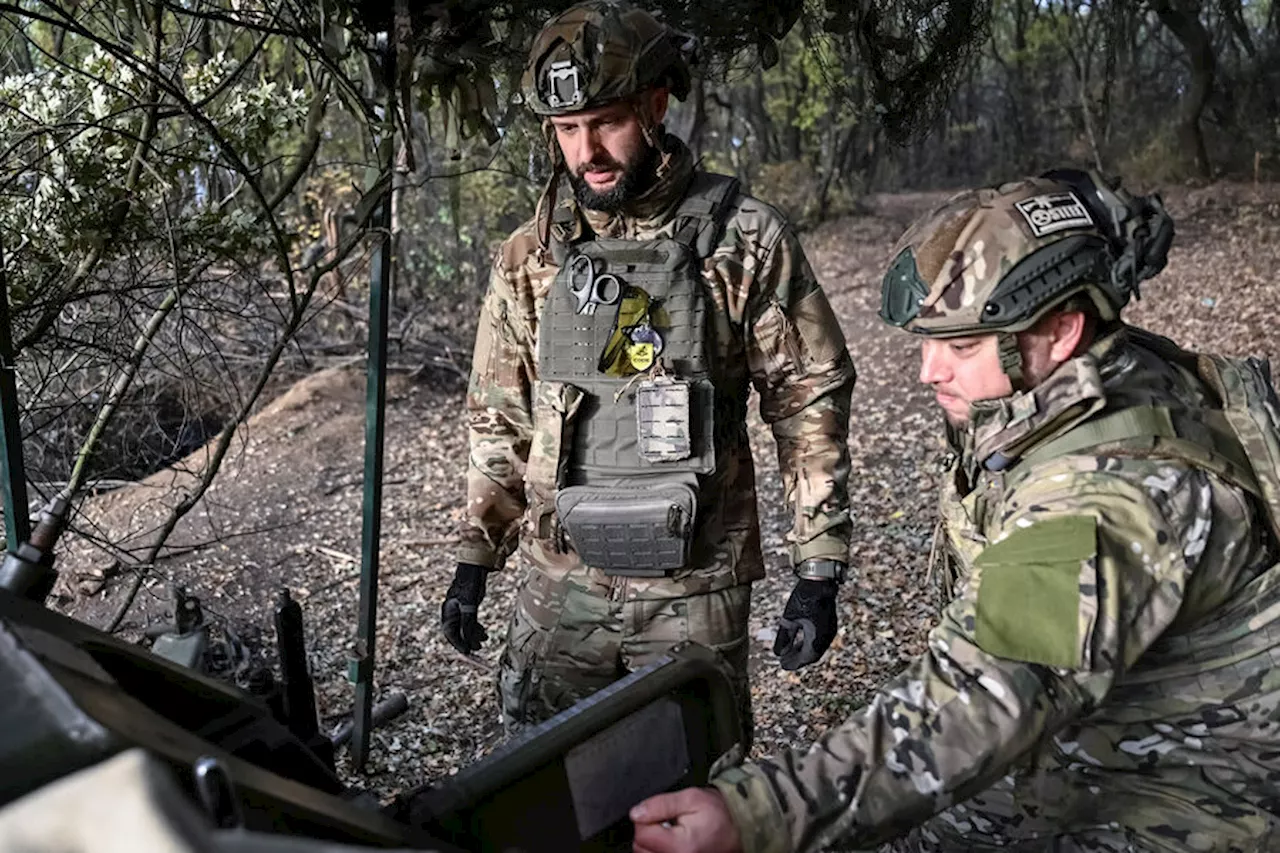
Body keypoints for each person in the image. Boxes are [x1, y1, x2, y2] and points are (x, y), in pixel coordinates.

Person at [629, 170, 1280, 852]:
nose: (928, 371)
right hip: (1104, 741)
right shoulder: (1094, 379)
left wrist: (760, 813)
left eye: (961, 346)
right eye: (929, 341)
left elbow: (983, 692)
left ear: (1061, 330)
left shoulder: (1115, 492)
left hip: (1182, 802)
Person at [439, 0, 856, 742]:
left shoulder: (743, 236)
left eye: (606, 122)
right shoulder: (529, 255)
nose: (586, 149)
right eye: (568, 130)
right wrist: (477, 553)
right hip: (559, 579)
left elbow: (807, 395)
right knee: (545, 782)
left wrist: (818, 566)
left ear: (656, 105)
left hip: (695, 583)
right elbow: (498, 415)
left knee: (695, 783)